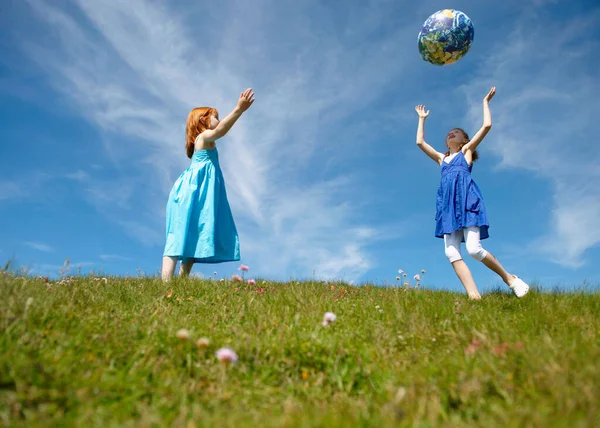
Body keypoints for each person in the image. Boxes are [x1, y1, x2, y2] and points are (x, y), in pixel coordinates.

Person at [414, 87, 529, 299]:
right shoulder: (442, 159)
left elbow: (487, 125)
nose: (451, 133)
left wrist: (486, 102)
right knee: (450, 252)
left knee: (474, 250)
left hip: (467, 202)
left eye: (457, 132)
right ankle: (474, 297)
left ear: (464, 141)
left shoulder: (465, 153)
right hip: (448, 207)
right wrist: (422, 119)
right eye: (450, 132)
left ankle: (511, 280)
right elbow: (420, 142)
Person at [161, 88, 255, 282]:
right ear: (203, 121)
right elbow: (220, 131)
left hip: (197, 193)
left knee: (193, 232)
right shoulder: (203, 138)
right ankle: (165, 282)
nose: (218, 120)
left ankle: (182, 280)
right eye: (215, 117)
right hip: (191, 191)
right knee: (178, 236)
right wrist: (239, 109)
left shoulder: (206, 142)